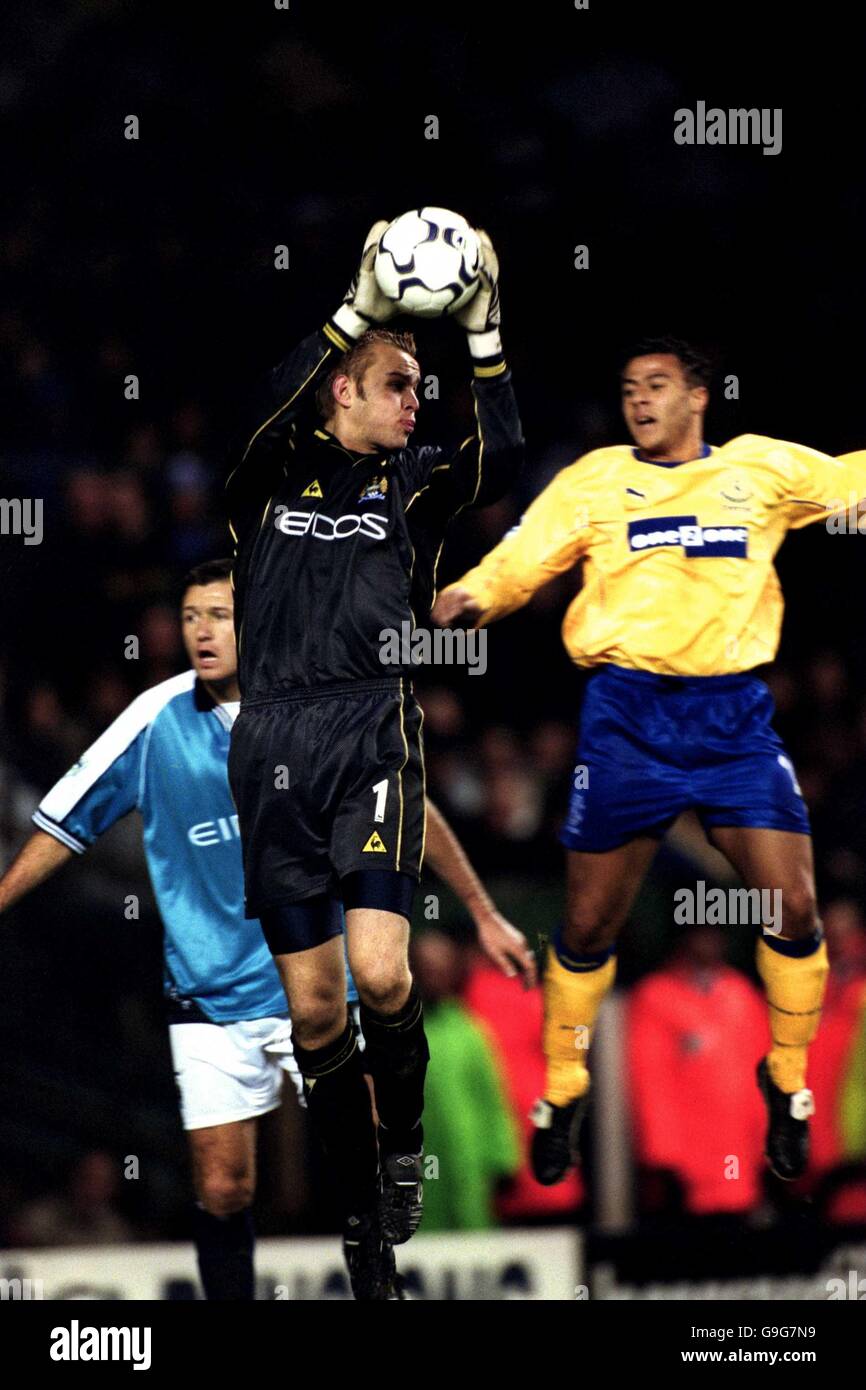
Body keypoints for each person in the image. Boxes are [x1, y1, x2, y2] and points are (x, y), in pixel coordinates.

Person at [0, 558, 533, 1299]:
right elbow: (64, 822)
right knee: (223, 1187)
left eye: (219, 616)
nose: (202, 633)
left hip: (317, 983)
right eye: (190, 619)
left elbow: (406, 807)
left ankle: (372, 1259)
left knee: (375, 1145)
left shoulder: (326, 710)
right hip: (209, 992)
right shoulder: (153, 721)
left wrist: (481, 909)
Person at [433, 336, 866, 1187]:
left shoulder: (760, 471)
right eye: (630, 387)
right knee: (590, 925)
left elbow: (855, 481)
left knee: (797, 909)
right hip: (626, 719)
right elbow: (527, 555)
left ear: (698, 396)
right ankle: (564, 1086)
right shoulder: (595, 480)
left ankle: (786, 1081)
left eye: (657, 386)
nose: (639, 400)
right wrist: (474, 594)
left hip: (732, 717)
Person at [224, 220, 530, 1296]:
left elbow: (503, 457)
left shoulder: (413, 486)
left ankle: (399, 1145)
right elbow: (266, 400)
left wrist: (481, 330)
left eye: (420, 387)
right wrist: (354, 309)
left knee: (385, 969)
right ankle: (360, 1221)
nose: (415, 403)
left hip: (369, 728)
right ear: (337, 392)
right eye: (396, 384)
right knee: (313, 1010)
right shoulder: (263, 476)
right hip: (270, 739)